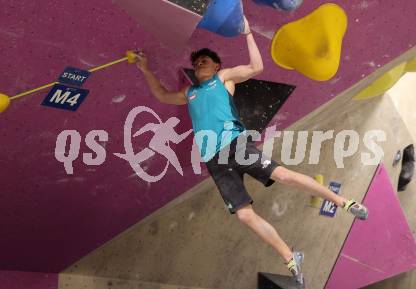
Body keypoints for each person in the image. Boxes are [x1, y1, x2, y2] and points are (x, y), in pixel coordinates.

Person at [133, 17, 369, 284]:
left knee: (285, 176)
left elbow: (256, 67)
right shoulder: (190, 92)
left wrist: (247, 34)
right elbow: (163, 95)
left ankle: (343, 202)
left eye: (205, 61)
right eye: (197, 62)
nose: (200, 64)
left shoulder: (223, 79)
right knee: (245, 215)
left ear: (217, 66)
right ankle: (290, 256)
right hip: (214, 160)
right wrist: (145, 69)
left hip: (236, 146)